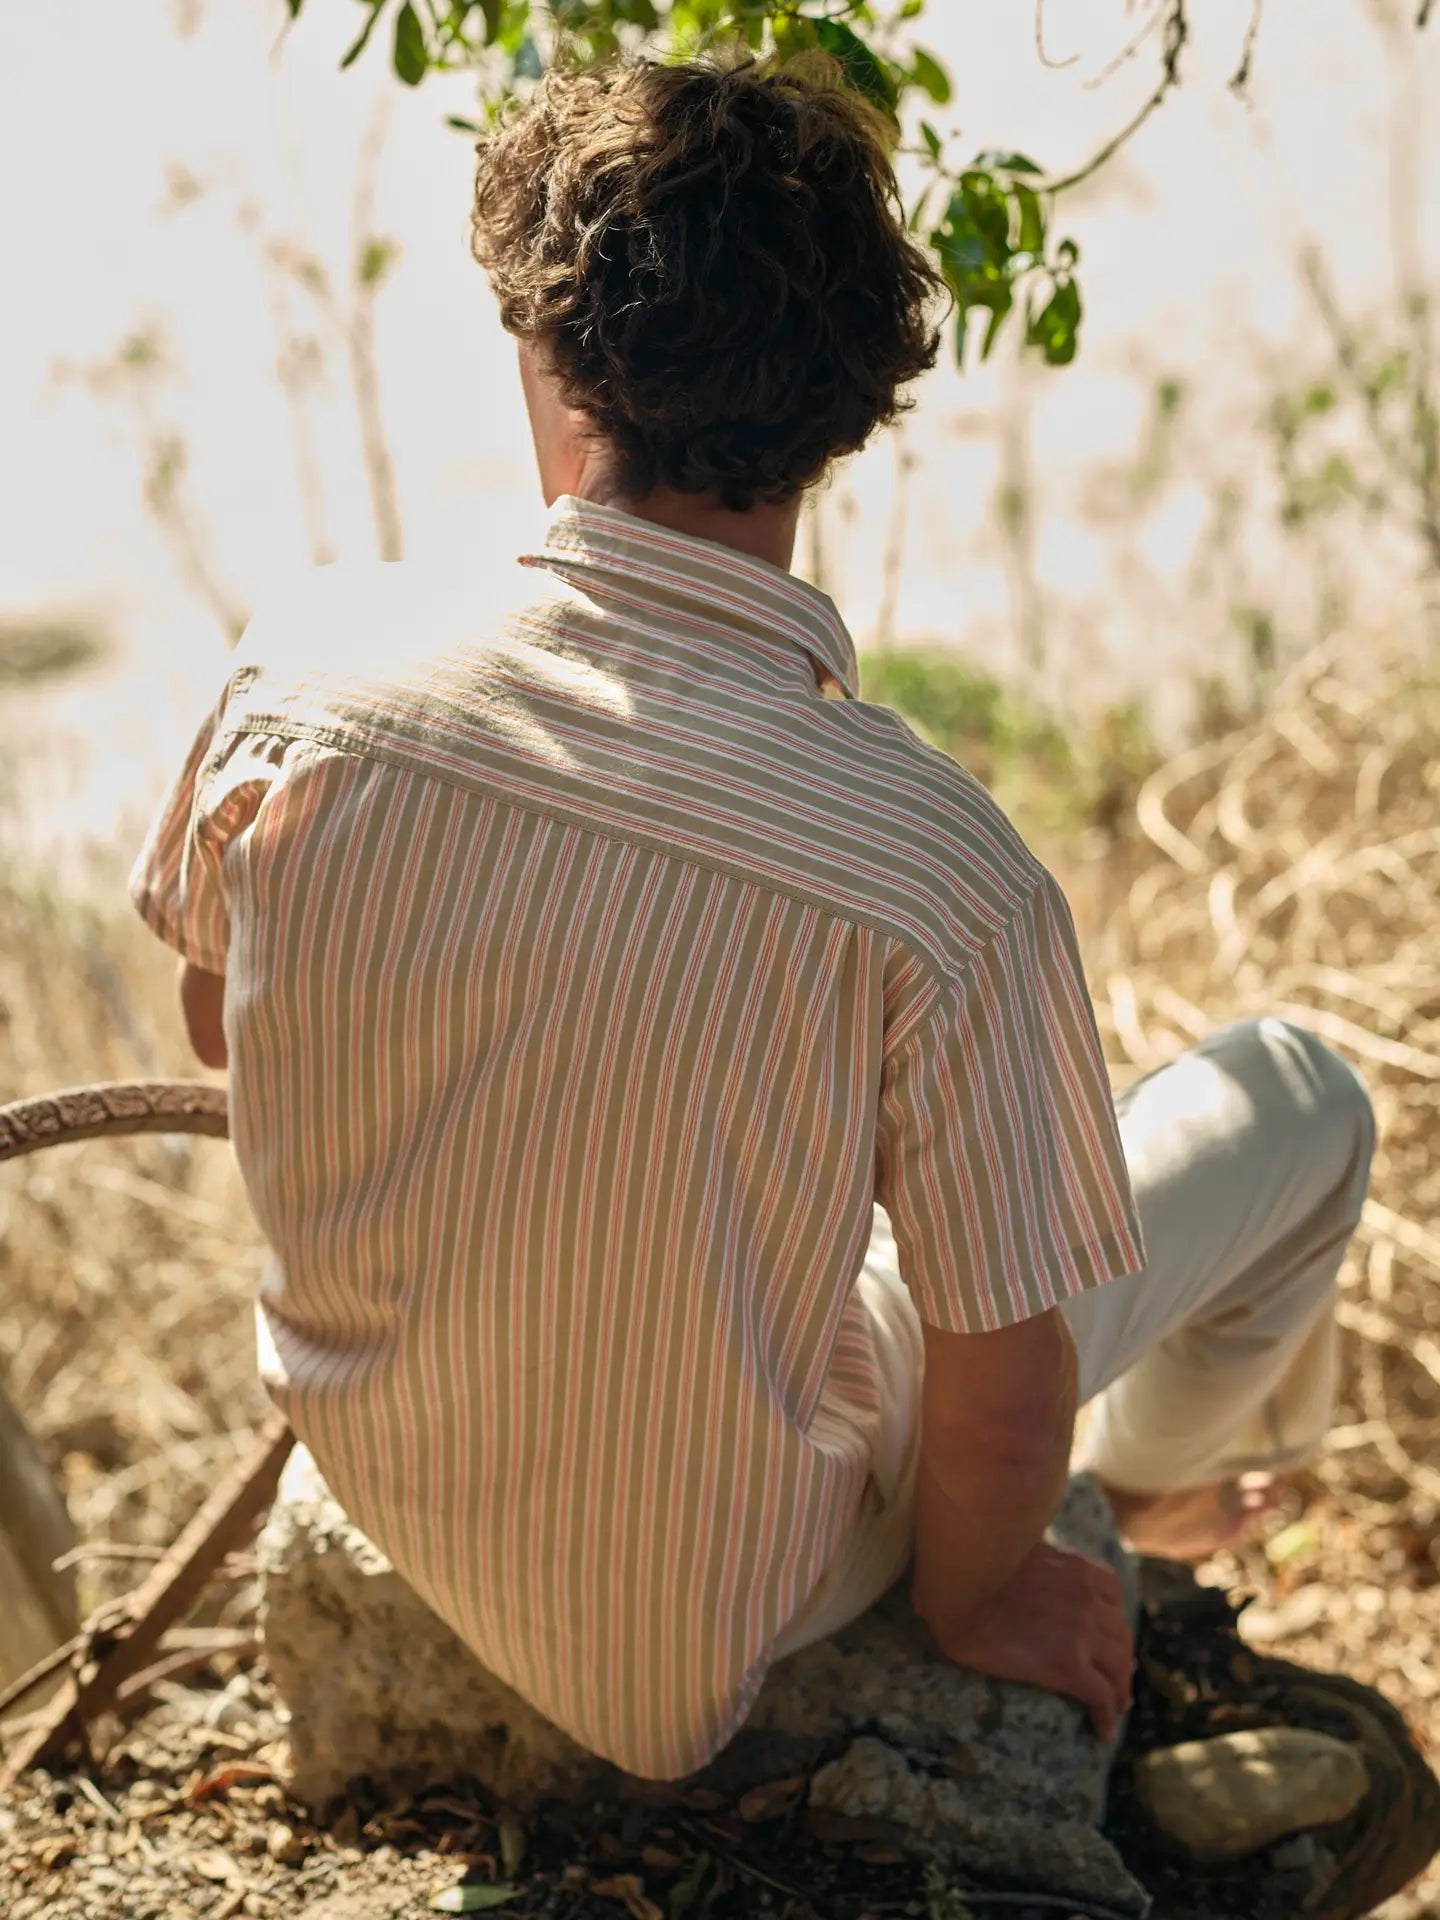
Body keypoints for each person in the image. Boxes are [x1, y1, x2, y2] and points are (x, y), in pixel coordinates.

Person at [131, 51, 1375, 1779]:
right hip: (728, 1598)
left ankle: (1142, 1489)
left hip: (390, 1469)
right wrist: (983, 1594)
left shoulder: (304, 679)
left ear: (554, 355)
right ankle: (1152, 1497)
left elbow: (221, 1023)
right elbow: (1003, 1383)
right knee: (1302, 1098)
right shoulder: (936, 871)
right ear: (860, 404)